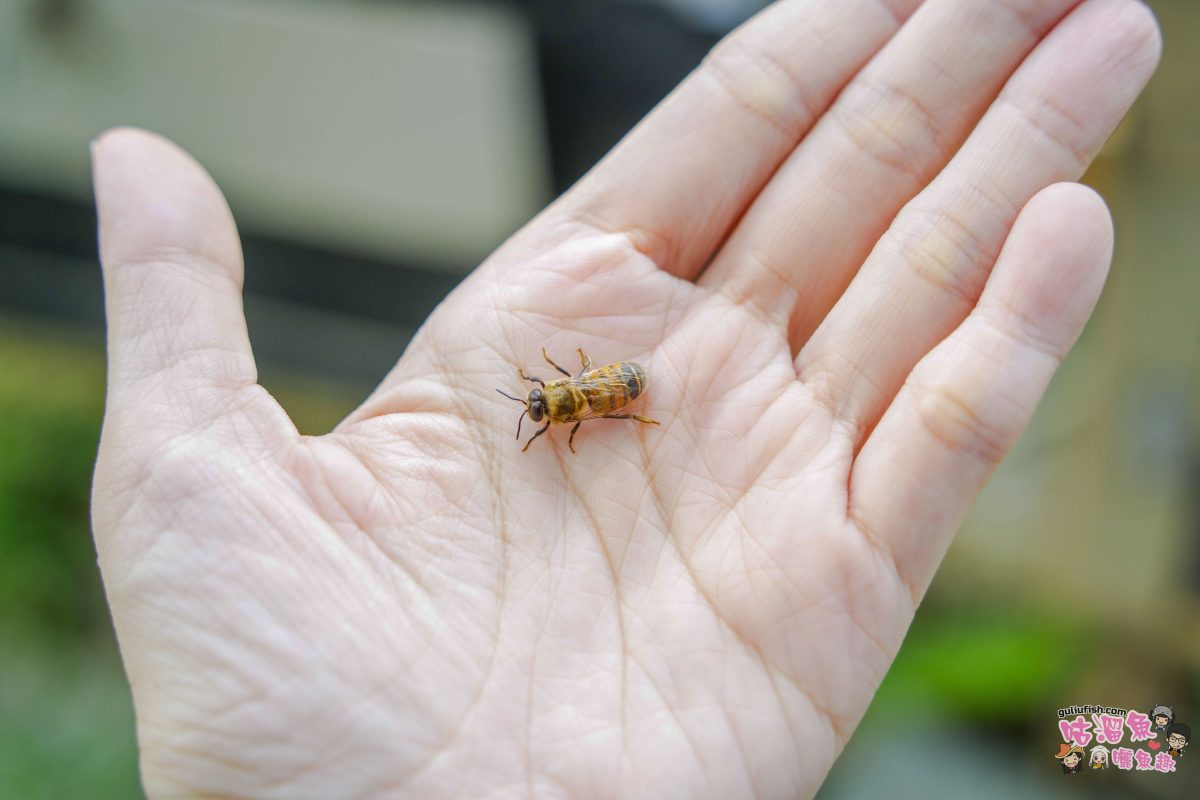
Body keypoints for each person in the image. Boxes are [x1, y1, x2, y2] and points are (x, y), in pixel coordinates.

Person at [87, 1, 1161, 797]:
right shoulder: (571, 406)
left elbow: (588, 401)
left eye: (550, 407)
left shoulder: (579, 402)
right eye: (552, 409)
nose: (552, 412)